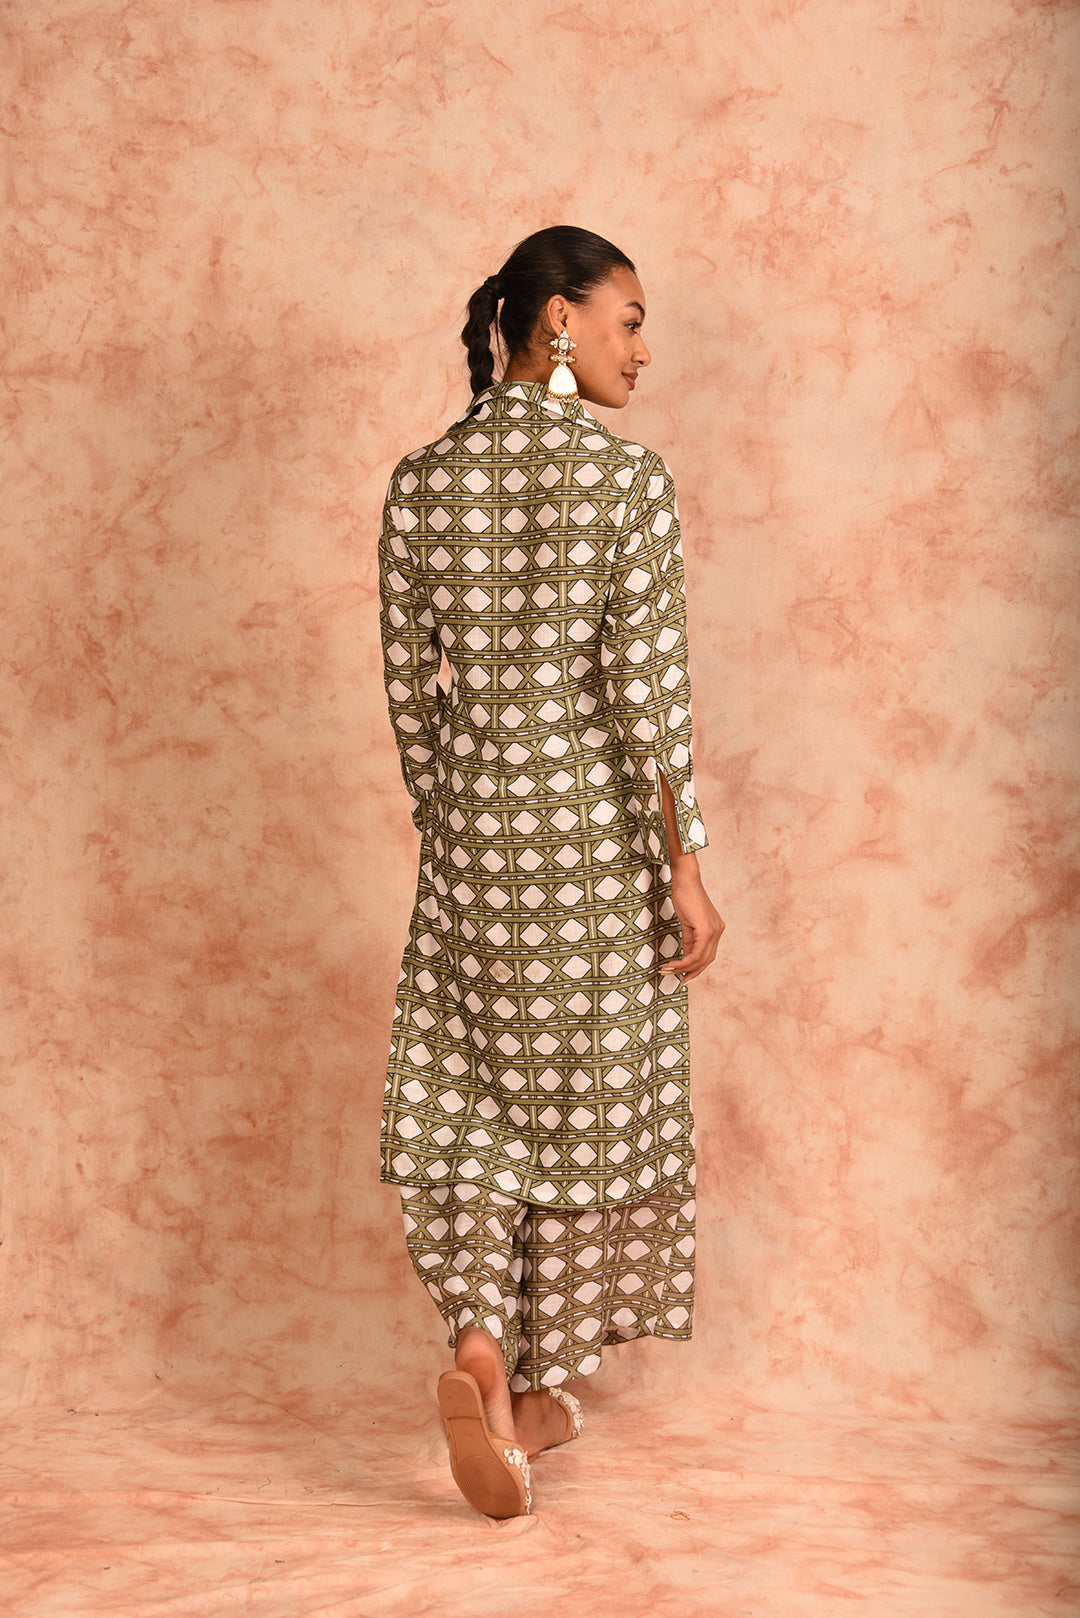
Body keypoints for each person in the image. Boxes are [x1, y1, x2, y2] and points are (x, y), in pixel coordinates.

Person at [378, 225, 724, 1519]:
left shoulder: (422, 483)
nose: (645, 348)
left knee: (469, 1094)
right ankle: (533, 1389)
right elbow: (649, 700)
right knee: (580, 1109)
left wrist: (458, 813)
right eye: (629, 319)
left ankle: (486, 1355)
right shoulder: (625, 482)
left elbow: (412, 694)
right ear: (560, 320)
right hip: (591, 841)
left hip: (475, 840)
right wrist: (684, 864)